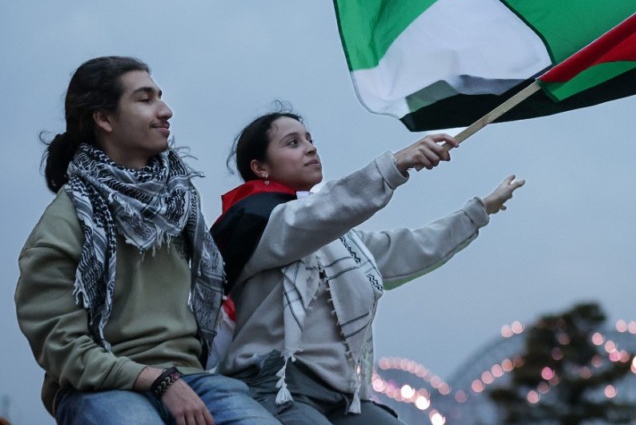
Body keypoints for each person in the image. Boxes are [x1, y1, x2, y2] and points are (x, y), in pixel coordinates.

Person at [211, 111, 524, 424]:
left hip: (344, 397)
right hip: (277, 386)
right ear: (260, 167)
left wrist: (478, 212)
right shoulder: (259, 224)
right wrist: (396, 164)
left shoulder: (341, 241)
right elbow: (330, 208)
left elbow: (408, 249)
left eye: (309, 139)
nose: (310, 148)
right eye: (293, 143)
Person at [15, 56, 279, 425]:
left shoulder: (179, 204)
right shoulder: (66, 221)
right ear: (104, 119)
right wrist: (156, 379)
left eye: (160, 97)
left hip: (191, 378)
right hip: (100, 386)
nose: (165, 110)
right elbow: (61, 349)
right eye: (145, 99)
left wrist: (173, 379)